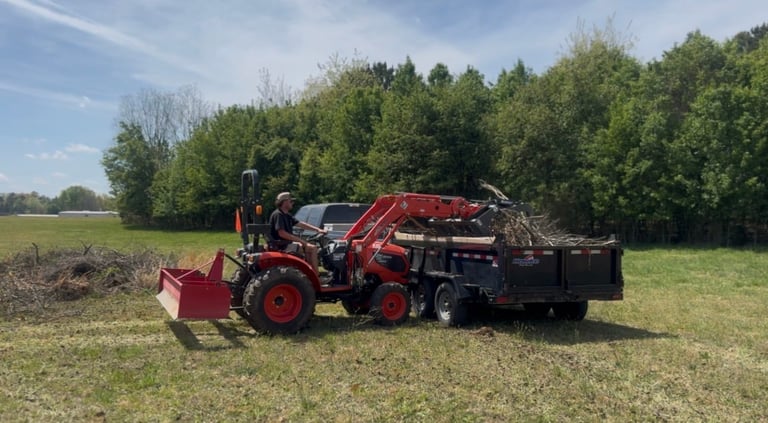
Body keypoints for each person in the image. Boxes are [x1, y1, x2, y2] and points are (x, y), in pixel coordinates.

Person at [268, 192, 326, 274]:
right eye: (290, 201)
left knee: (308, 247)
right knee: (312, 248)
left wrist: (318, 230)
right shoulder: (278, 215)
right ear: (285, 202)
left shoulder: (287, 215)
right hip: (281, 245)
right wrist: (303, 242)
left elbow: (301, 224)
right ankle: (315, 275)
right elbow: (282, 233)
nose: (293, 203)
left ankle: (310, 274)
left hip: (284, 244)